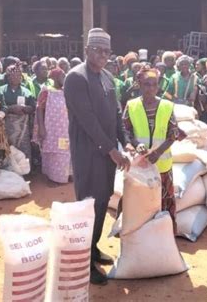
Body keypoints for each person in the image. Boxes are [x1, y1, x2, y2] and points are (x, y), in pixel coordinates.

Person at [64, 28, 130, 285]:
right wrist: (112, 150)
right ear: (87, 50)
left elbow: (115, 115)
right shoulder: (75, 78)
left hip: (106, 154)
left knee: (103, 201)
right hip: (87, 153)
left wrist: (125, 143)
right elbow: (88, 121)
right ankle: (83, 262)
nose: (103, 55)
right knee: (88, 205)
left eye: (107, 51)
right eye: (98, 50)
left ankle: (92, 248)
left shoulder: (107, 76)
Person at [123, 67, 184, 233]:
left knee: (165, 200)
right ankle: (140, 235)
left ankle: (166, 235)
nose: (150, 88)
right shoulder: (132, 105)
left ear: (158, 86)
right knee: (139, 201)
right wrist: (136, 145)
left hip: (162, 165)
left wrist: (157, 152)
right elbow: (125, 130)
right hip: (140, 165)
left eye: (154, 85)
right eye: (146, 84)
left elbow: (174, 133)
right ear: (140, 85)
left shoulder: (167, 106)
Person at [33, 68, 71, 184]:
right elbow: (39, 109)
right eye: (62, 76)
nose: (64, 78)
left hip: (65, 129)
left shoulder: (68, 91)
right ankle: (54, 177)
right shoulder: (46, 92)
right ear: (54, 78)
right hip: (51, 129)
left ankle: (67, 174)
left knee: (66, 151)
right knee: (54, 152)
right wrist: (41, 128)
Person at [0, 63, 35, 164]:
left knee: (23, 147)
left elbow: (33, 106)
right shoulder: (1, 91)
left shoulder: (26, 91)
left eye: (18, 76)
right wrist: (11, 108)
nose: (16, 78)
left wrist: (26, 108)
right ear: (8, 77)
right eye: (13, 75)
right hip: (6, 125)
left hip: (22, 127)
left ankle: (24, 170)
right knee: (7, 146)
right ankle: (8, 169)